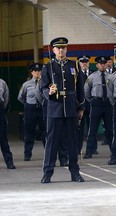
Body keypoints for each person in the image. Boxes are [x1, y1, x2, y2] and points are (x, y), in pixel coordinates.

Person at [40, 37, 85, 183]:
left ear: (66, 49)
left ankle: (75, 173)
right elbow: (42, 88)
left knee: (72, 142)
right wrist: (49, 92)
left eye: (63, 48)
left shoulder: (74, 65)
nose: (61, 50)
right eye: (58, 48)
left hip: (71, 108)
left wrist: (81, 107)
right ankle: (47, 173)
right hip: (55, 108)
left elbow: (80, 89)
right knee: (52, 142)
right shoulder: (48, 67)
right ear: (53, 50)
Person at [83, 56, 113, 159]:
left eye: (104, 63)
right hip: (96, 103)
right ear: (97, 65)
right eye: (101, 64)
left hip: (108, 104)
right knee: (93, 129)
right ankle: (89, 152)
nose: (103, 65)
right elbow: (86, 91)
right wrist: (91, 100)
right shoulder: (91, 77)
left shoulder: (111, 77)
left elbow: (114, 90)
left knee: (110, 129)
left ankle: (114, 151)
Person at [18, 63, 46, 161]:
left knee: (45, 132)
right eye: (35, 71)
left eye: (39, 71)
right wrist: (29, 104)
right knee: (29, 132)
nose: (37, 73)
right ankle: (27, 154)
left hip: (43, 109)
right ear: (32, 72)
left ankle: (48, 153)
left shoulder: (45, 83)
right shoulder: (26, 85)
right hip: (31, 109)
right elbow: (21, 97)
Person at [77, 55, 92, 155]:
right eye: (82, 62)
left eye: (86, 61)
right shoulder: (76, 74)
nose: (84, 63)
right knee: (79, 129)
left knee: (92, 128)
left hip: (92, 105)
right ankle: (78, 148)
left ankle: (92, 149)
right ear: (79, 63)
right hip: (81, 106)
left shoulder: (93, 74)